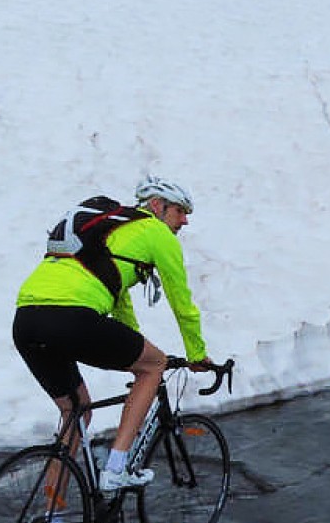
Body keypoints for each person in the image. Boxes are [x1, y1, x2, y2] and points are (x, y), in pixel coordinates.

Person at [13, 176, 215, 494]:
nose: (185, 220)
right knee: (154, 366)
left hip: (26, 320)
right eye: (180, 211)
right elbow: (182, 303)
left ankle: (52, 515)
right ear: (158, 206)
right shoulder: (156, 233)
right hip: (72, 317)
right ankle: (117, 468)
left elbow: (117, 295)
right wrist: (196, 354)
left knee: (75, 411)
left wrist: (133, 342)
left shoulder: (112, 231)